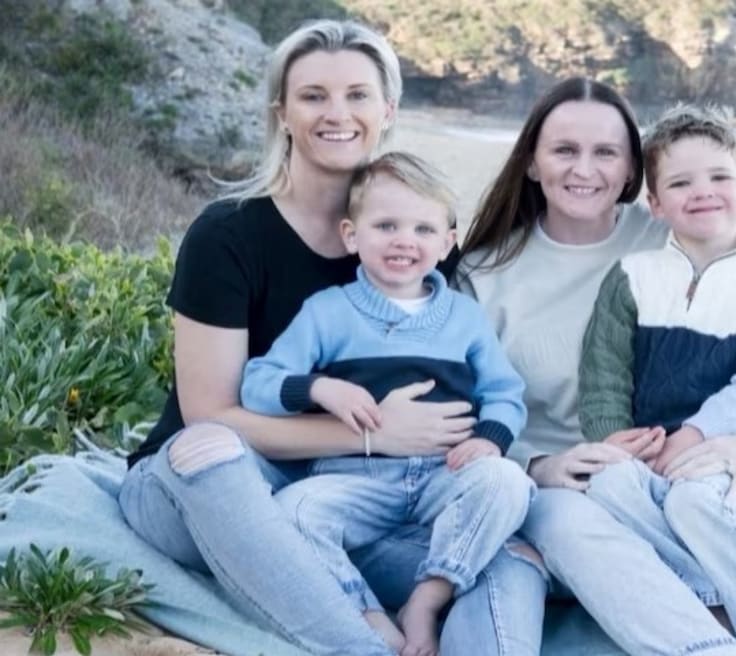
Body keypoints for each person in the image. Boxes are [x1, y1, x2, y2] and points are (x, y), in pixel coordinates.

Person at [118, 19, 545, 656]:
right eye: (313, 95)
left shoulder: (411, 239)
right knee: (210, 448)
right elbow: (210, 413)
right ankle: (363, 642)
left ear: (387, 110)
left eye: (357, 95)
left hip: (353, 497)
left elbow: (486, 381)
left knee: (510, 555)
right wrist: (372, 432)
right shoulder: (228, 235)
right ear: (282, 113)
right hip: (211, 486)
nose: (336, 113)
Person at [459, 77, 736, 655]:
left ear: (632, 174)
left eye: (606, 153)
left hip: (685, 468)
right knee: (587, 540)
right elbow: (467, 411)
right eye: (564, 150)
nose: (585, 169)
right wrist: (540, 465)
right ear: (531, 161)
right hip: (559, 487)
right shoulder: (483, 271)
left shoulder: (674, 231)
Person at [239, 151, 535, 656]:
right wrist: (318, 388)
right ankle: (367, 612)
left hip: (446, 474)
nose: (404, 240)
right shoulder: (327, 312)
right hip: (355, 480)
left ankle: (428, 597)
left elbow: (505, 395)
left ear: (448, 242)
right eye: (386, 225)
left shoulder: (463, 317)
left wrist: (489, 441)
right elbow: (258, 383)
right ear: (353, 236)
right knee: (292, 511)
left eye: (423, 229)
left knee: (510, 483)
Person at [577, 103, 736, 655]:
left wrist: (700, 435)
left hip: (722, 450)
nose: (702, 191)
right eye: (680, 182)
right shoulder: (633, 276)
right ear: (656, 205)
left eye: (719, 177)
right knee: (607, 486)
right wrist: (615, 439)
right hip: (644, 449)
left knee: (691, 504)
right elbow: (604, 369)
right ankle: (705, 593)